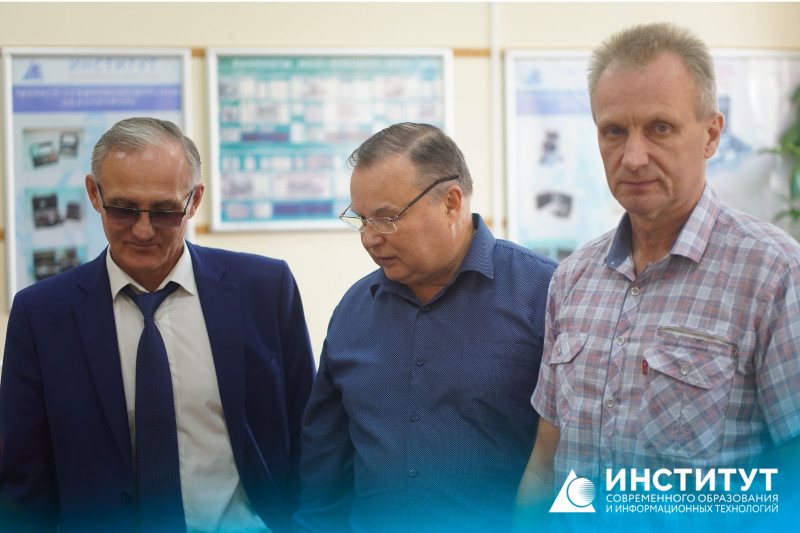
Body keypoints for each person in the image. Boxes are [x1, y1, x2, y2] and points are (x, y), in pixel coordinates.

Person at [515, 22, 800, 531]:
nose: (633, 157)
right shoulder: (573, 279)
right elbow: (545, 463)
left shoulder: (774, 274)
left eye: (660, 128)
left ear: (711, 134)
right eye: (614, 131)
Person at [0, 117, 316, 532]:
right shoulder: (41, 315)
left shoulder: (265, 289)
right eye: (123, 209)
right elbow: (25, 483)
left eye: (165, 211)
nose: (144, 230)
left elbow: (310, 437)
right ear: (94, 194)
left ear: (195, 200)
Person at [294, 122, 558, 532]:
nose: (369, 239)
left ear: (450, 202)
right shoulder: (353, 310)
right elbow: (324, 472)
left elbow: (577, 458)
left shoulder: (544, 295)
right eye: (361, 219)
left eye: (386, 218)